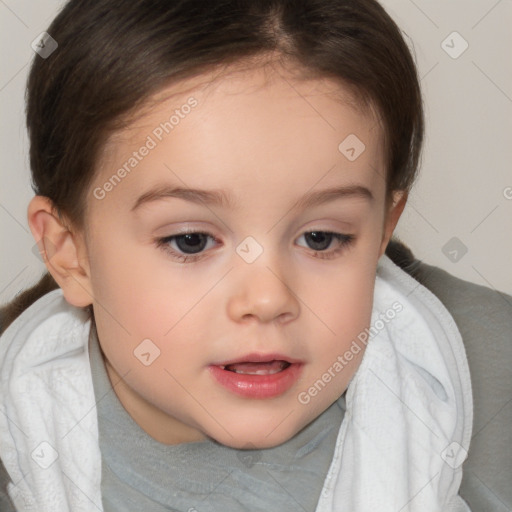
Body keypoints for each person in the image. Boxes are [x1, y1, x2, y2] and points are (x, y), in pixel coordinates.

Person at [0, 0, 510, 511]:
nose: (267, 299)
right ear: (70, 254)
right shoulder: (20, 439)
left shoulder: (494, 379)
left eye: (321, 238)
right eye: (191, 241)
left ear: (381, 229)